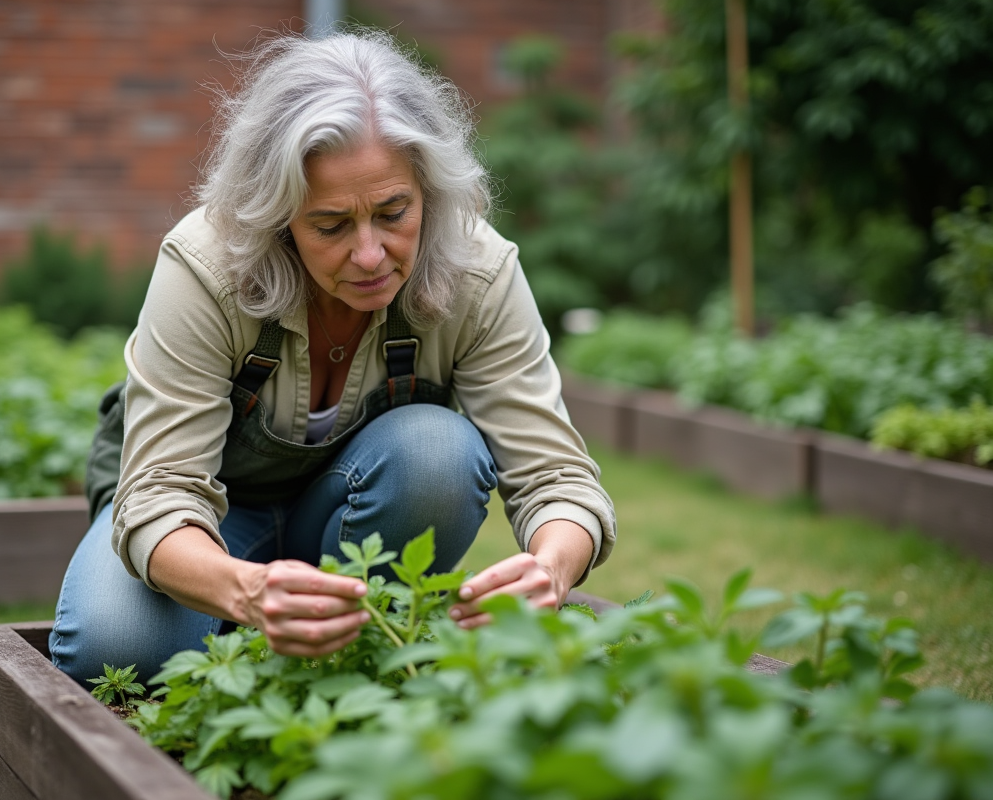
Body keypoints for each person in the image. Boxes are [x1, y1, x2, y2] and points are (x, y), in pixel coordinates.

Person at [50, 30, 616, 683]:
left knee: (437, 450)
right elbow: (157, 496)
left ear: (429, 191)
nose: (371, 254)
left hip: (361, 523)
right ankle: (258, 625)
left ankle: (333, 637)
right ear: (278, 214)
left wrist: (549, 569)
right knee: (113, 649)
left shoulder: (477, 271)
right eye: (331, 225)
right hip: (213, 527)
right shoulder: (207, 265)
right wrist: (244, 590)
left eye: (394, 212)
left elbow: (558, 479)